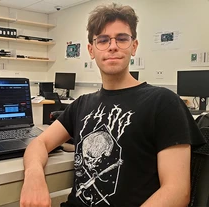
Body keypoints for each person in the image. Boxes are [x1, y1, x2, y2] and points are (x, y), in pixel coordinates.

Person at [20, 3, 206, 207]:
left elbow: (177, 192)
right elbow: (39, 143)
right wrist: (34, 176)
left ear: (133, 46)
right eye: (103, 40)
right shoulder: (82, 104)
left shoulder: (163, 102)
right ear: (91, 50)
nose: (113, 46)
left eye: (122, 38)